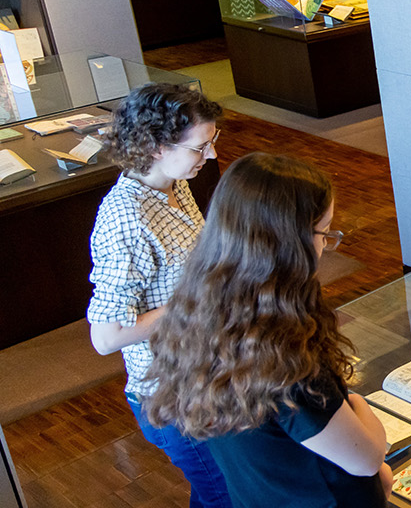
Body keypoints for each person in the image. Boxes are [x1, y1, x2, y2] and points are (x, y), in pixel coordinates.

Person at [143, 152, 390, 508]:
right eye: (324, 233)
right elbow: (366, 458)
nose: (325, 246)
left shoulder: (200, 314)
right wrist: (357, 403)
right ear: (290, 242)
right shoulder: (283, 351)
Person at [86, 82, 230, 508]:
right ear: (155, 148)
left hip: (206, 373)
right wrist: (195, 302)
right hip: (172, 395)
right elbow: (106, 337)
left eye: (213, 142)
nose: (212, 156)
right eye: (200, 147)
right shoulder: (125, 220)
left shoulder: (175, 183)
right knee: (225, 496)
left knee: (222, 491)